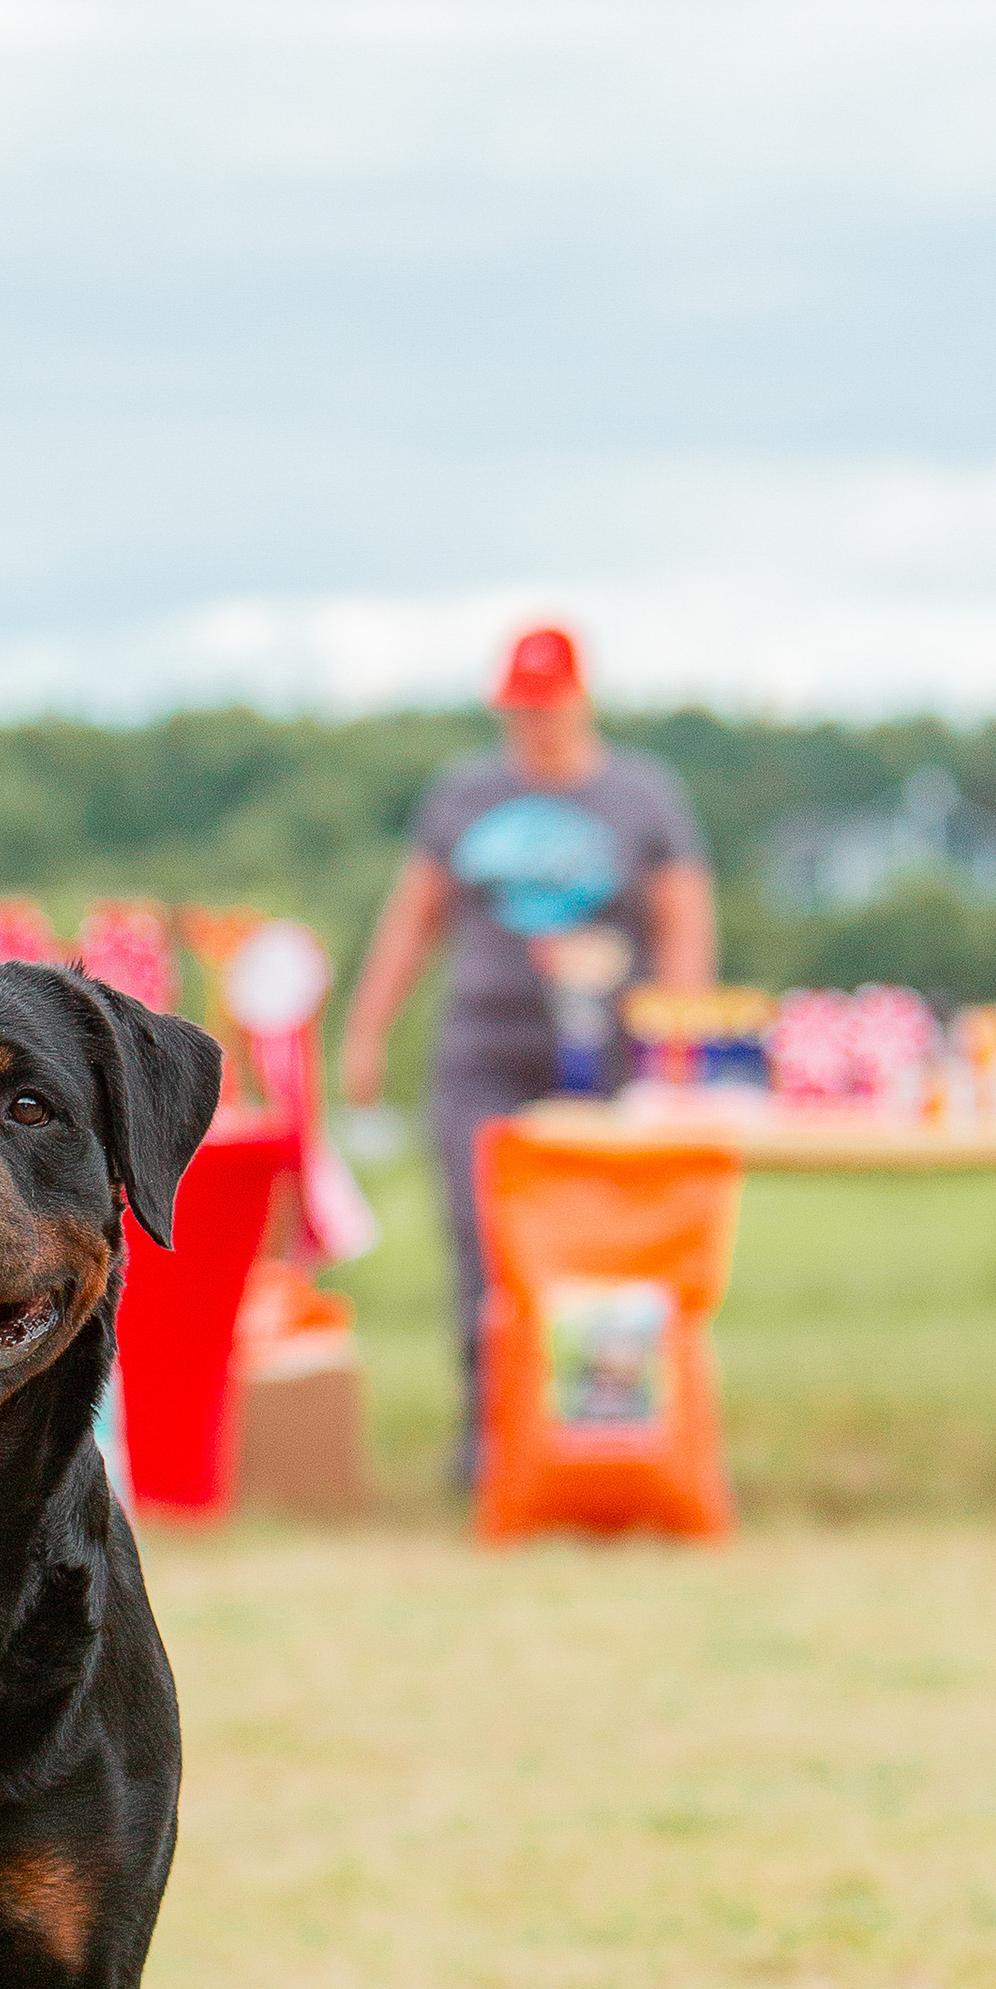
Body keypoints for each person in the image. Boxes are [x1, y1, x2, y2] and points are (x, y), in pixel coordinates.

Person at [339, 626, 716, 1475]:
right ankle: (492, 1441)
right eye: (519, 709)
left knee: (607, 1248)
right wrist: (367, 1031)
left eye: (546, 707)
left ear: (581, 701)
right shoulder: (463, 795)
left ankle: (610, 1439)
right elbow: (413, 920)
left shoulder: (642, 796)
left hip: (608, 1062)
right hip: (482, 1051)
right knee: (483, 1248)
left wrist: (680, 1042)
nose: (533, 724)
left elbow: (682, 922)